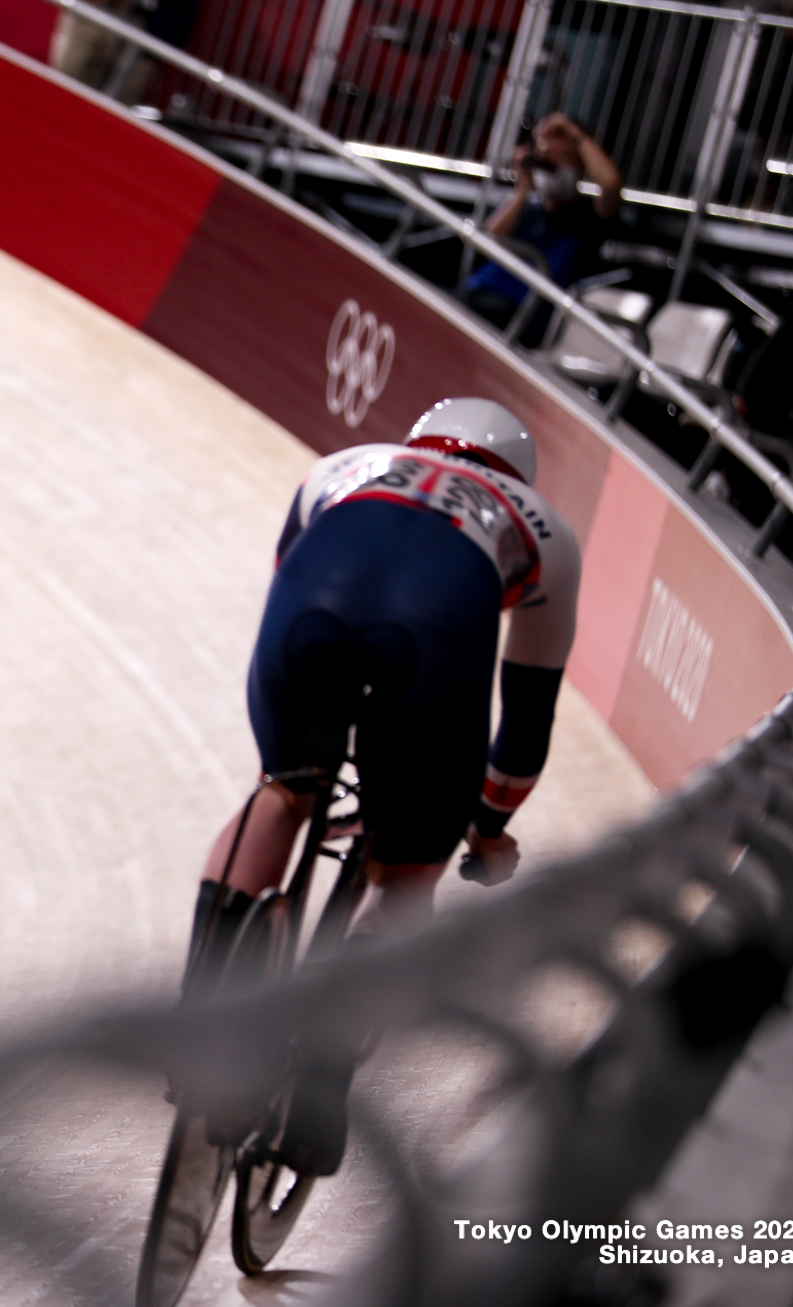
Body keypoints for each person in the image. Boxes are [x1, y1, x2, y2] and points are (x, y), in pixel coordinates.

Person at [186, 397, 581, 1175]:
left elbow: (286, 580)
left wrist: (305, 744)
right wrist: (488, 822)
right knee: (406, 869)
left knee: (283, 789)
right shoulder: (545, 530)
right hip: (430, 640)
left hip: (308, 612)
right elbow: (527, 718)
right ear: (518, 473)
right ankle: (320, 1092)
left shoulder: (342, 466)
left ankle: (198, 1018)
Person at [464, 113, 624, 339]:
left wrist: (573, 133)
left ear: (581, 166)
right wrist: (522, 190)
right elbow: (484, 242)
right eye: (546, 158)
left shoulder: (588, 216)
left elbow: (610, 183)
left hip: (520, 315)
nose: (553, 166)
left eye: (564, 158)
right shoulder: (526, 207)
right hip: (477, 294)